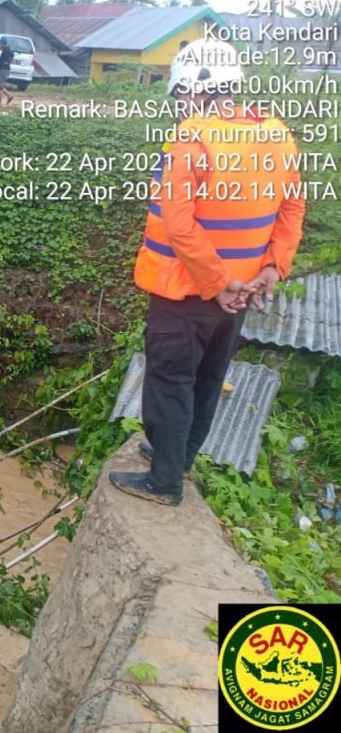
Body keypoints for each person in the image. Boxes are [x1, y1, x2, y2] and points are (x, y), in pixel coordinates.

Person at [109, 38, 305, 505]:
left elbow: (179, 224)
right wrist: (273, 270)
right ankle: (177, 458)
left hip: (187, 292)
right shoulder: (276, 134)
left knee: (171, 380)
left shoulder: (193, 140)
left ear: (194, 91)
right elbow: (292, 206)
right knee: (206, 380)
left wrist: (216, 283)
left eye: (179, 95)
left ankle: (164, 481)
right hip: (238, 296)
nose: (180, 106)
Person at [0, 38, 14, 106]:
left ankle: (0, 103)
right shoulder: (5, 49)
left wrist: (8, 62)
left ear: (2, 43)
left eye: (0, 43)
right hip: (3, 70)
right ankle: (9, 96)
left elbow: (12, 54)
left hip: (4, 70)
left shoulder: (6, 49)